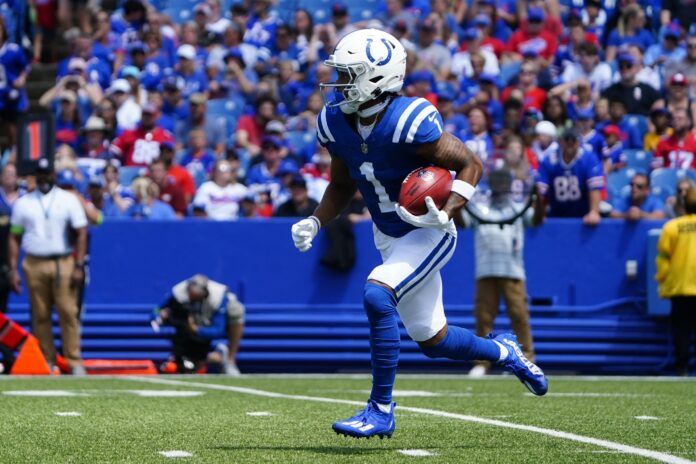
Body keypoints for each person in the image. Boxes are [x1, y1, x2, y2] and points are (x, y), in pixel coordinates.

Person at [290, 29, 547, 440]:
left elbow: (471, 165)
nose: (339, 83)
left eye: (349, 74)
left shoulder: (410, 120)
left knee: (377, 293)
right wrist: (317, 220)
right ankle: (505, 351)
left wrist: (445, 211)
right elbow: (341, 185)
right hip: (388, 234)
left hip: (429, 231)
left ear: (377, 77)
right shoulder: (335, 122)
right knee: (434, 339)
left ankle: (380, 409)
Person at [8, 159, 88, 375]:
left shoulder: (67, 199)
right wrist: (13, 268)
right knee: (40, 313)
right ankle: (47, 359)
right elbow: (14, 237)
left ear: (53, 175)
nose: (44, 178)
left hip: (62, 261)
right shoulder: (24, 203)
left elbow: (81, 232)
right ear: (35, 176)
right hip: (34, 261)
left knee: (67, 311)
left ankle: (73, 359)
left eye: (47, 174)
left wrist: (79, 264)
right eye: (40, 174)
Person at [463, 170, 545, 377]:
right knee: (483, 317)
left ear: (509, 184)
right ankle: (482, 363)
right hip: (485, 269)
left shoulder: (518, 208)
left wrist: (539, 199)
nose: (500, 186)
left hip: (513, 271)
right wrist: (459, 199)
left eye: (503, 182)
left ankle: (526, 359)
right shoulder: (480, 209)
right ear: (491, 184)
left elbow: (537, 220)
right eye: (496, 182)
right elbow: (462, 222)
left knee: (519, 316)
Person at [152, 274, 245, 375]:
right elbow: (157, 309)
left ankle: (229, 359)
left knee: (236, 309)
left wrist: (196, 329)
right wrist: (159, 315)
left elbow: (218, 330)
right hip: (184, 328)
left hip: (203, 326)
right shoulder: (178, 292)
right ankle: (215, 357)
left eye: (196, 298)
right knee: (187, 365)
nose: (193, 301)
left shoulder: (218, 297)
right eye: (191, 297)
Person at [655, 187, 696, 376]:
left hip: (680, 286)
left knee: (681, 331)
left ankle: (682, 367)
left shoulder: (672, 227)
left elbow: (663, 259)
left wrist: (662, 282)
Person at [536, 128, 604, 224]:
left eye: (574, 140)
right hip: (556, 215)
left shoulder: (589, 159)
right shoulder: (549, 161)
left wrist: (594, 212)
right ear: (560, 142)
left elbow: (594, 188)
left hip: (583, 215)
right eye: (567, 140)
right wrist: (537, 213)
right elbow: (540, 191)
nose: (570, 143)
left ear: (579, 142)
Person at [0, 163, 19, 312]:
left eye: (12, 174)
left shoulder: (26, 197)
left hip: (17, 258)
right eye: (5, 173)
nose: (8, 177)